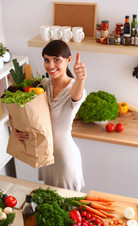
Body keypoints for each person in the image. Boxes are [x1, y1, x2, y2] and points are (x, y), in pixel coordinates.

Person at [11, 40, 87, 192]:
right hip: (45, 155)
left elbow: (76, 95)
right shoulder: (43, 84)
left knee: (68, 206)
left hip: (65, 159)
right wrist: (16, 129)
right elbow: (24, 112)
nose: (50, 65)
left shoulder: (75, 87)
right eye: (47, 60)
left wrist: (81, 79)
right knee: (49, 201)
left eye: (56, 60)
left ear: (69, 60)